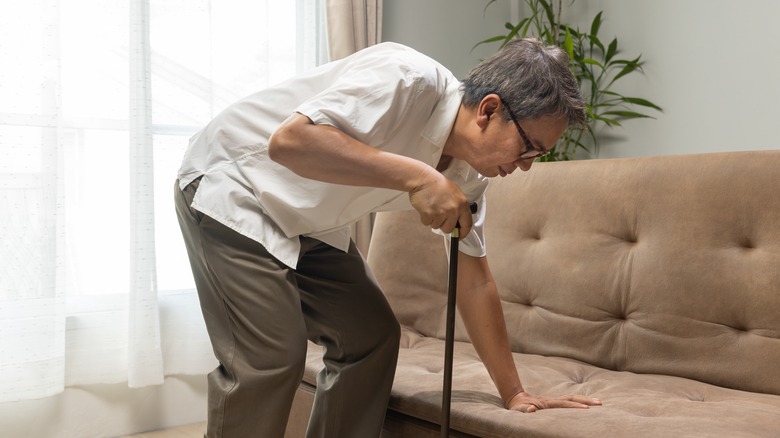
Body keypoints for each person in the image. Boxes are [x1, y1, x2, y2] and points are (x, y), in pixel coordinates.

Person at [174, 37, 602, 438]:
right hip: (234, 185)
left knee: (371, 338)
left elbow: (475, 281)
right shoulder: (405, 77)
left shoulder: (470, 177)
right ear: (489, 110)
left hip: (309, 221)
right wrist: (419, 176)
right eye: (528, 148)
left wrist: (515, 393)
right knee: (271, 356)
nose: (526, 165)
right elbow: (289, 141)